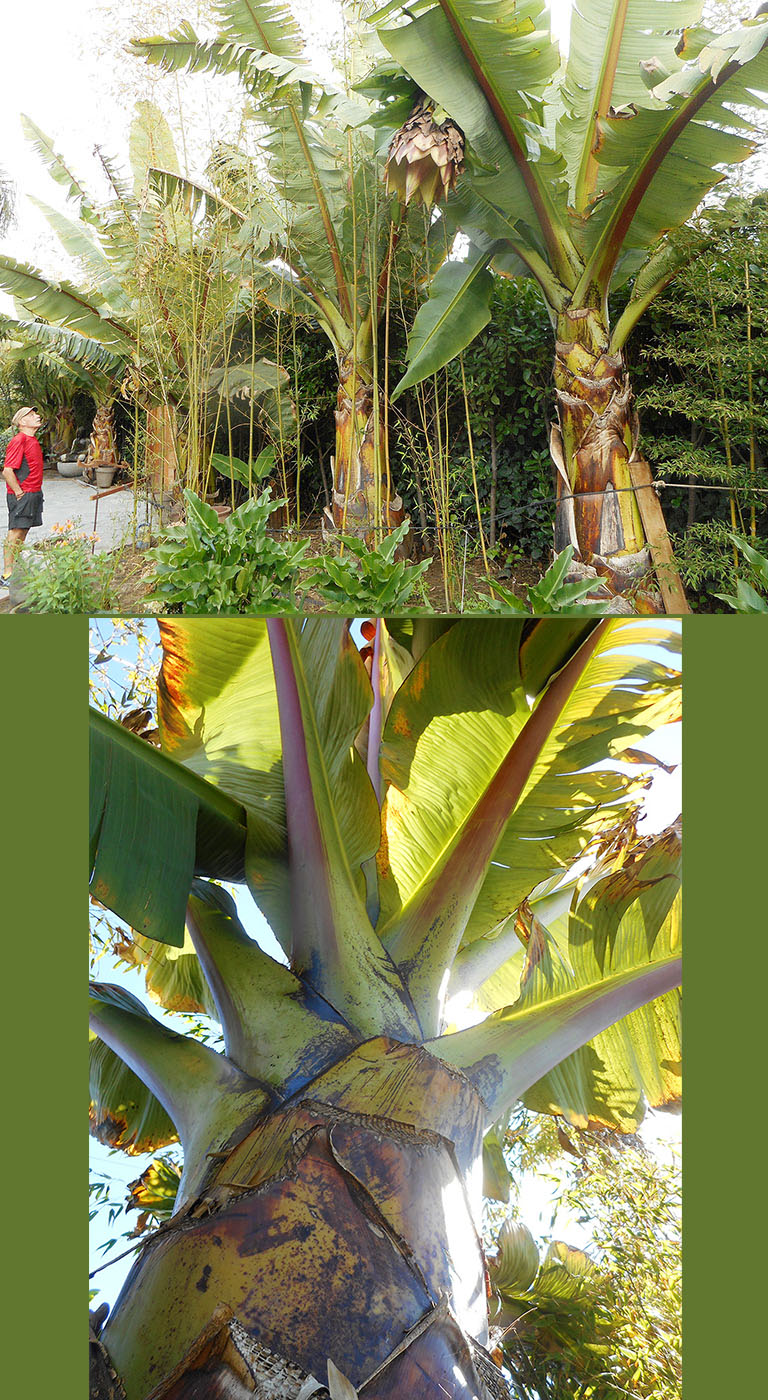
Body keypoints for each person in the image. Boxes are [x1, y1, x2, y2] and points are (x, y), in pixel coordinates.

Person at [2, 406, 44, 584]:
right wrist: (19, 492)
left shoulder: (32, 440)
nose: (37, 416)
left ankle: (16, 569)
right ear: (22, 422)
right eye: (32, 415)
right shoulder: (19, 440)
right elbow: (7, 471)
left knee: (23, 532)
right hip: (23, 494)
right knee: (15, 532)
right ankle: (7, 575)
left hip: (34, 493)